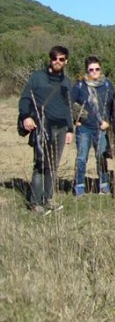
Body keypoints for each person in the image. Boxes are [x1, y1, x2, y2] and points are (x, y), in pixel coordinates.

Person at [18, 45, 75, 213]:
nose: (57, 61)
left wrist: (70, 129)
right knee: (40, 164)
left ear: (66, 61)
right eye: (54, 58)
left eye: (61, 59)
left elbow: (68, 107)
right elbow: (25, 99)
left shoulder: (66, 82)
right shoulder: (37, 77)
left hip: (61, 128)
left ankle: (48, 199)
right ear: (50, 59)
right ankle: (35, 203)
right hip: (43, 126)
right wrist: (25, 116)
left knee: (53, 165)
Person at [70, 56, 115, 197]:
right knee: (82, 157)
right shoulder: (80, 85)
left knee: (101, 157)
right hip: (84, 127)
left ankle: (104, 184)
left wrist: (108, 121)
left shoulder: (107, 85)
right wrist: (74, 120)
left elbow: (113, 105)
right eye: (91, 69)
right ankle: (79, 186)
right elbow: (70, 103)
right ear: (87, 70)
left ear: (101, 69)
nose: (94, 72)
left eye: (97, 69)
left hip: (101, 127)